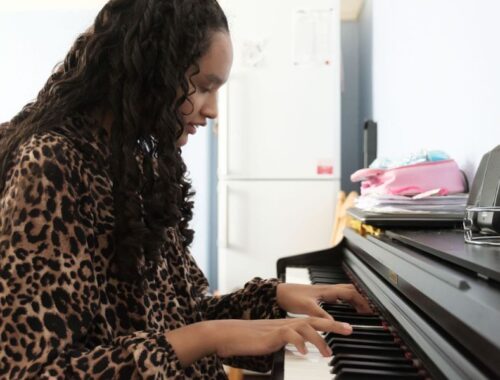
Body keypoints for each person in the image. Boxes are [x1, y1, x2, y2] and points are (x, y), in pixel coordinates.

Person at [0, 0, 371, 378]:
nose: (213, 111)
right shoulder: (51, 165)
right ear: (148, 71)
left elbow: (179, 318)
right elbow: (34, 371)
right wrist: (210, 336)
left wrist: (274, 299)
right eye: (202, 87)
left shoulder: (137, 165)